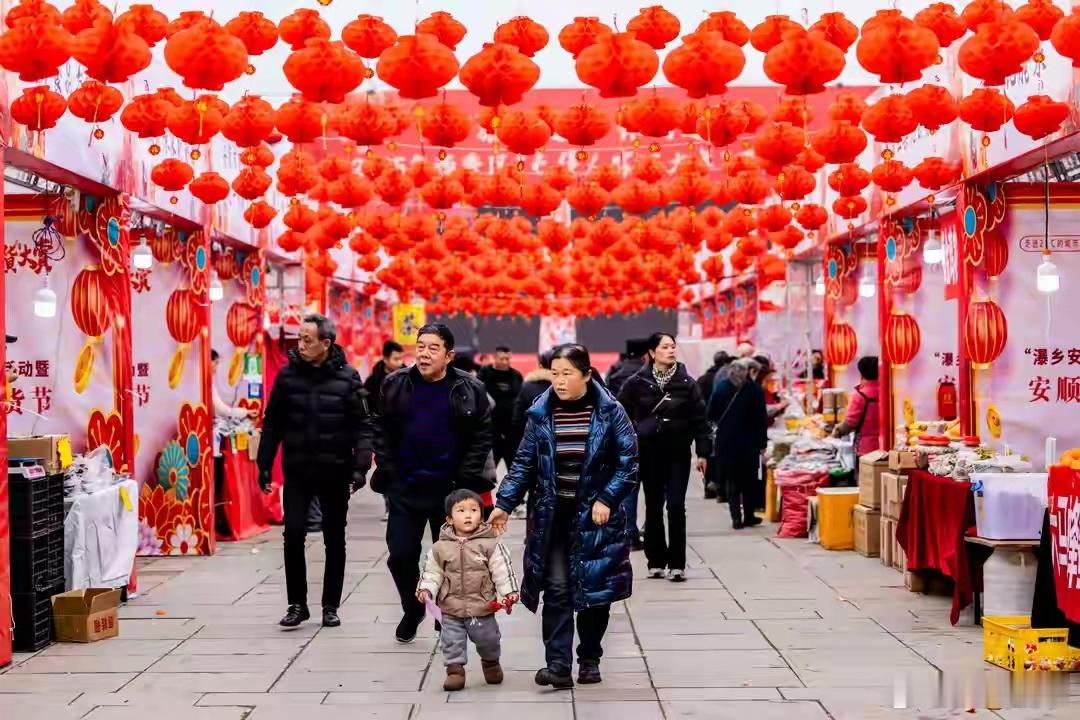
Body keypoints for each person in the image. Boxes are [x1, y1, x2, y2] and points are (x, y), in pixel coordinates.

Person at [489, 343, 638, 689]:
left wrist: (607, 498)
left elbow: (628, 463)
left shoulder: (610, 412)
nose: (559, 381)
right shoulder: (541, 413)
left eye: (567, 373)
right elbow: (524, 463)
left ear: (587, 375)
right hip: (552, 518)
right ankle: (558, 665)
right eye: (555, 373)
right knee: (556, 589)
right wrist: (504, 503)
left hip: (596, 519)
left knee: (594, 593)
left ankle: (589, 657)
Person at [372, 323, 495, 644]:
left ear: (449, 355)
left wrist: (464, 481)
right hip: (406, 488)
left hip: (450, 492)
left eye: (433, 348)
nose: (424, 354)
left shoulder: (470, 388)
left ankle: (447, 615)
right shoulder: (395, 384)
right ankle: (414, 607)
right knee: (400, 555)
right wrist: (389, 469)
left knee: (451, 561)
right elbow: (380, 429)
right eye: (420, 346)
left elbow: (482, 437)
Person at [257, 314, 373, 628]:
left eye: (307, 339)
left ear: (326, 343)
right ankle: (297, 604)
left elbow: (364, 425)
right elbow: (272, 422)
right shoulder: (287, 376)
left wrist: (360, 468)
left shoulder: (348, 377)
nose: (301, 345)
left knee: (334, 538)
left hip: (335, 470)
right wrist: (264, 464)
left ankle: (330, 606)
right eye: (300, 338)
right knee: (293, 534)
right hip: (297, 470)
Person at [617, 333, 710, 582]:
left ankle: (677, 563)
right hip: (649, 453)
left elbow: (700, 419)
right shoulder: (636, 383)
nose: (671, 351)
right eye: (665, 347)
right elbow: (619, 414)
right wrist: (632, 436)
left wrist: (703, 452)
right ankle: (656, 560)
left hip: (678, 452)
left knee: (676, 505)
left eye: (672, 346)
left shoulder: (687, 383)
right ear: (652, 352)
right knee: (654, 506)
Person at [417, 489, 519, 692]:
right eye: (461, 510)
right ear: (449, 518)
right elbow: (432, 572)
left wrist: (509, 592)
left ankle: (490, 662)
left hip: (481, 606)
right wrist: (426, 589)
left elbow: (502, 570)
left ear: (481, 515)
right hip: (451, 607)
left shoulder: (490, 545)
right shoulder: (440, 548)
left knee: (488, 640)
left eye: (474, 510)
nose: (468, 515)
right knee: (451, 641)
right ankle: (455, 671)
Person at [708, 358, 768, 530]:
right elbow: (761, 419)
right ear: (747, 372)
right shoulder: (754, 389)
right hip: (750, 442)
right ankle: (749, 515)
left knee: (732, 479)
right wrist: (762, 443)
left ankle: (736, 518)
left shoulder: (721, 387)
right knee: (749, 479)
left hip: (726, 441)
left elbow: (710, 413)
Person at [478, 345, 524, 471]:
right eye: (502, 359)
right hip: (490, 431)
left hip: (511, 432)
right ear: (495, 358)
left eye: (507, 359)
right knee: (486, 472)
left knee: (515, 471)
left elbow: (521, 401)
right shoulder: (484, 374)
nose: (505, 362)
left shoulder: (516, 376)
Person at [696, 351, 733, 500]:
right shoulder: (726, 380)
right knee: (719, 454)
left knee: (707, 453)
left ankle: (708, 486)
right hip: (720, 420)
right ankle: (720, 487)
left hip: (705, 421)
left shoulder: (702, 379)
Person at [833, 356, 882, 455]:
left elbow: (850, 423)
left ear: (861, 373)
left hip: (865, 449)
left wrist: (837, 431)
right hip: (885, 447)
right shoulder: (886, 392)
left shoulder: (860, 396)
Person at [511, 349, 554, 452]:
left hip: (532, 447)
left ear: (540, 365)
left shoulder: (527, 387)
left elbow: (517, 421)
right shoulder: (567, 387)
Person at [364, 340, 405, 413]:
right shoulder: (372, 382)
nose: (400, 363)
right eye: (396, 359)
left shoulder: (407, 378)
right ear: (385, 359)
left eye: (401, 358)